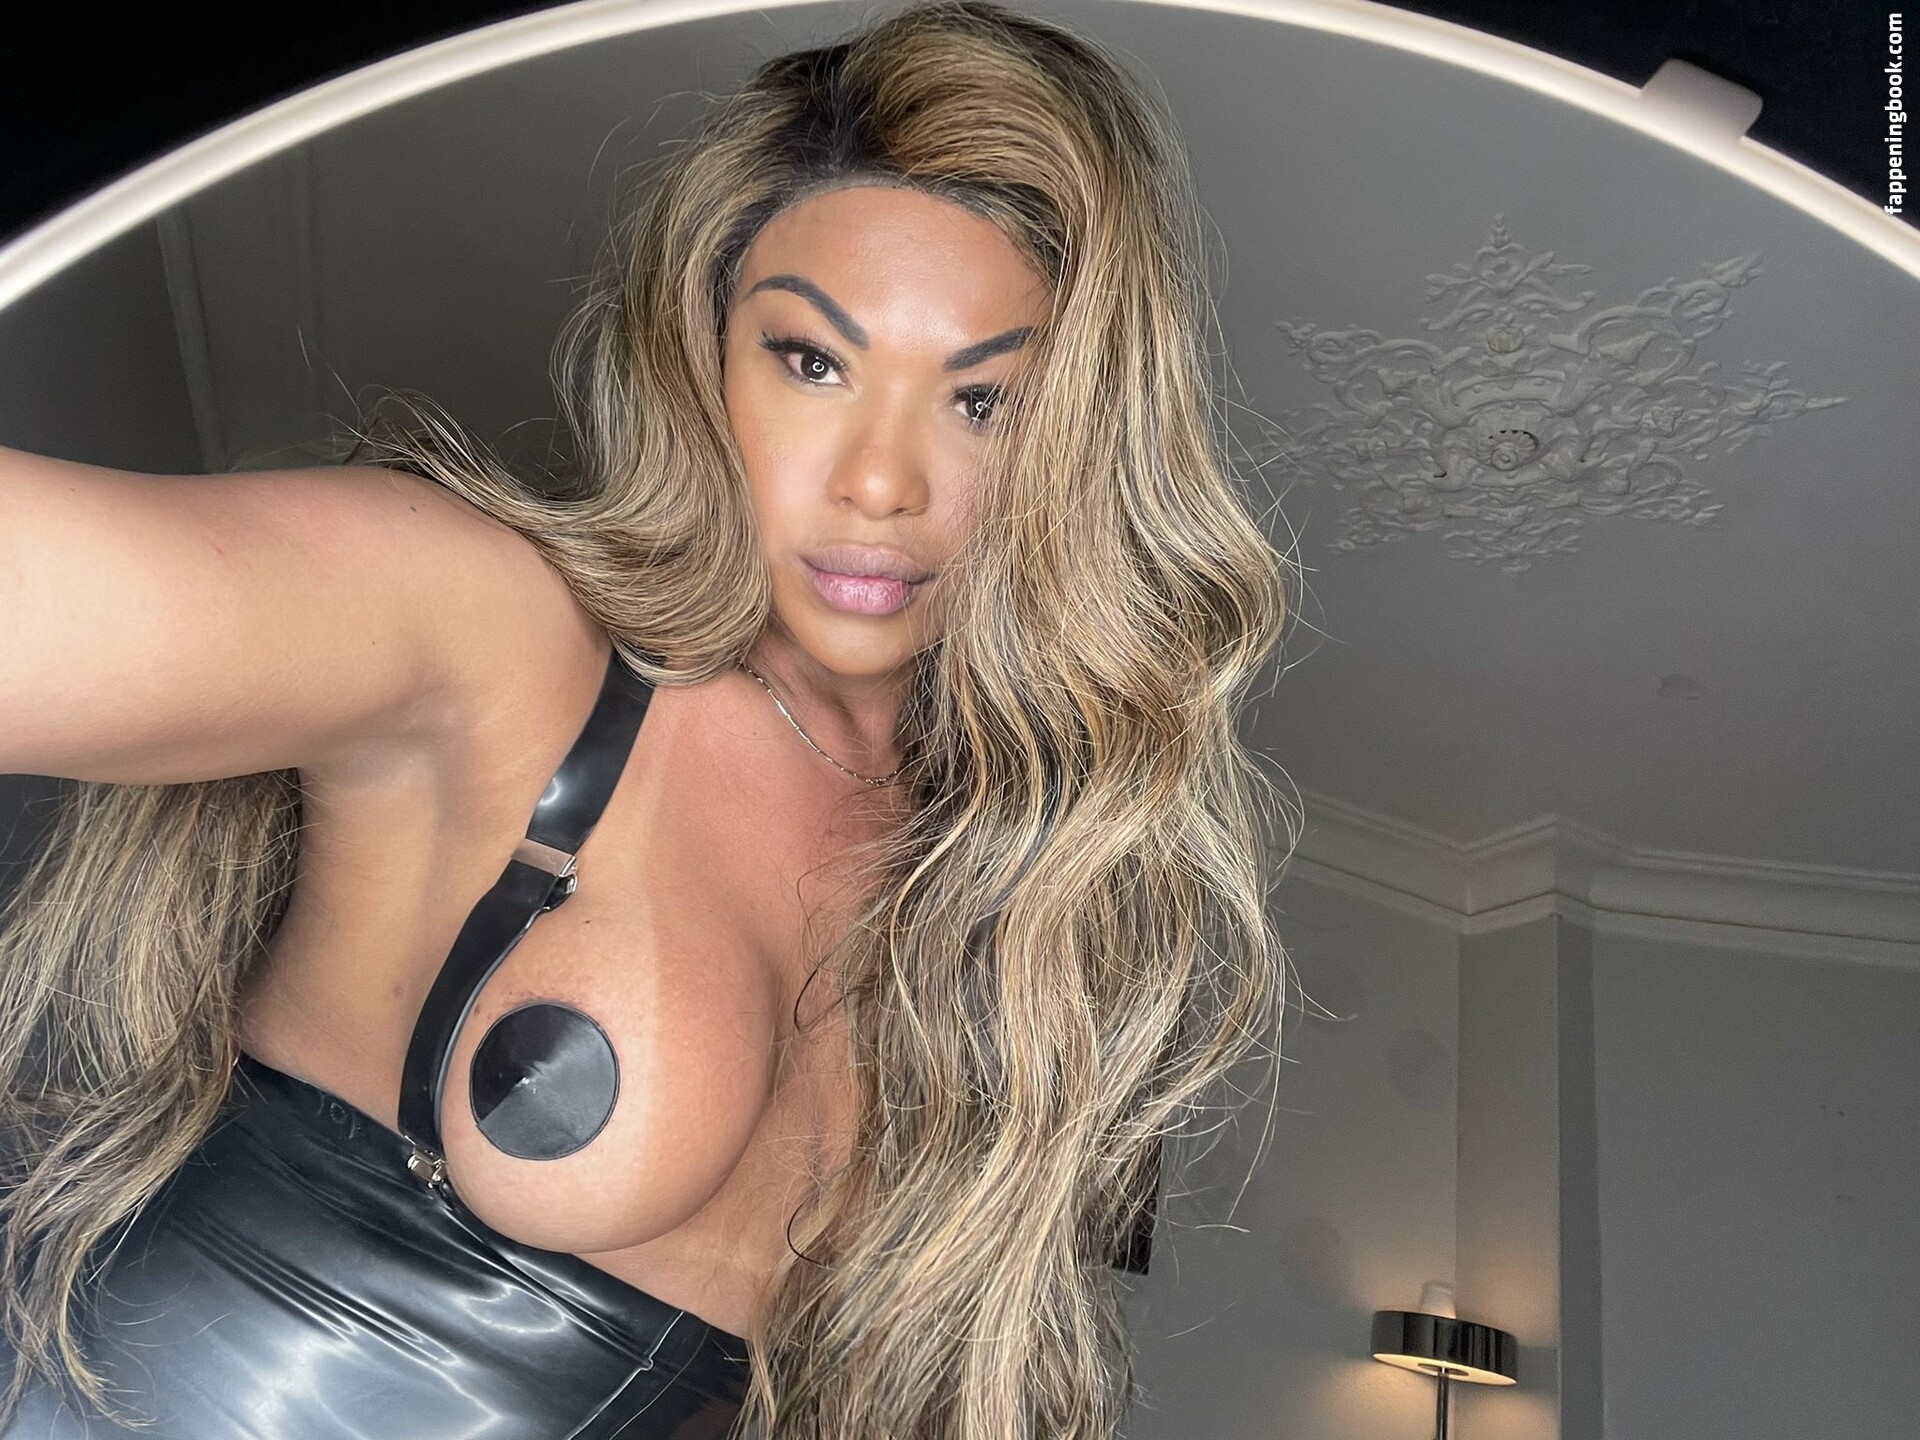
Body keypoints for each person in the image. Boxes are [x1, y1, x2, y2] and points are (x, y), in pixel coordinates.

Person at [0, 1, 1294, 1435]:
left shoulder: (1016, 914)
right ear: (702, 357)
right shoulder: (505, 642)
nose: (884, 481)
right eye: (813, 361)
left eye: (986, 402)